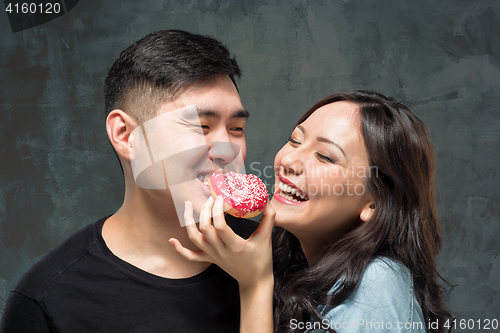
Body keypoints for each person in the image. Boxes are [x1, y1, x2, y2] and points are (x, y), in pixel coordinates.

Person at [0, 29, 261, 333]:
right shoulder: (47, 299)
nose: (227, 150)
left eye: (236, 128)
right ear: (126, 136)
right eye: (201, 127)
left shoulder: (276, 258)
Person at [171, 90, 452, 333]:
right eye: (295, 140)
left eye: (325, 156)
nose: (289, 160)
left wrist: (254, 284)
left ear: (374, 204)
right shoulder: (297, 269)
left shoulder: (375, 285)